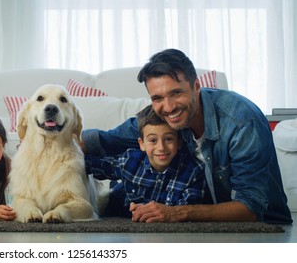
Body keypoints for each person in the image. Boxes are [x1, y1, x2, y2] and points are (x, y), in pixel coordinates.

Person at [81, 48, 293, 224]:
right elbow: (105, 140)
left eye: (176, 93)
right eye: (157, 98)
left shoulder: (242, 123)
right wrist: (55, 142)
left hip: (262, 227)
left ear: (196, 87)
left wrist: (177, 212)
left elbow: (251, 208)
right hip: (196, 227)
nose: (168, 106)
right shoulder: (162, 117)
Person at [85, 104, 205, 219]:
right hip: (120, 201)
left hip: (156, 215)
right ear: (142, 144)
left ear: (179, 142)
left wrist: (157, 210)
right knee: (110, 195)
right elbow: (94, 164)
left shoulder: (193, 172)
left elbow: (188, 208)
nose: (161, 147)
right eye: (153, 140)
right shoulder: (130, 160)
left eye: (168, 139)